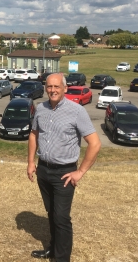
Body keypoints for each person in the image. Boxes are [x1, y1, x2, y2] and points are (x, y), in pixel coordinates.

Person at [27, 73, 101, 262]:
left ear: (65, 88)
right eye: (49, 87)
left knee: (61, 217)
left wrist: (80, 171)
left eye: (56, 87)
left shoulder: (77, 111)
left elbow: (95, 143)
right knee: (51, 213)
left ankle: (61, 258)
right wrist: (30, 162)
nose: (52, 90)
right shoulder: (41, 109)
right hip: (43, 169)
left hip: (65, 173)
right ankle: (53, 248)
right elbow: (34, 135)